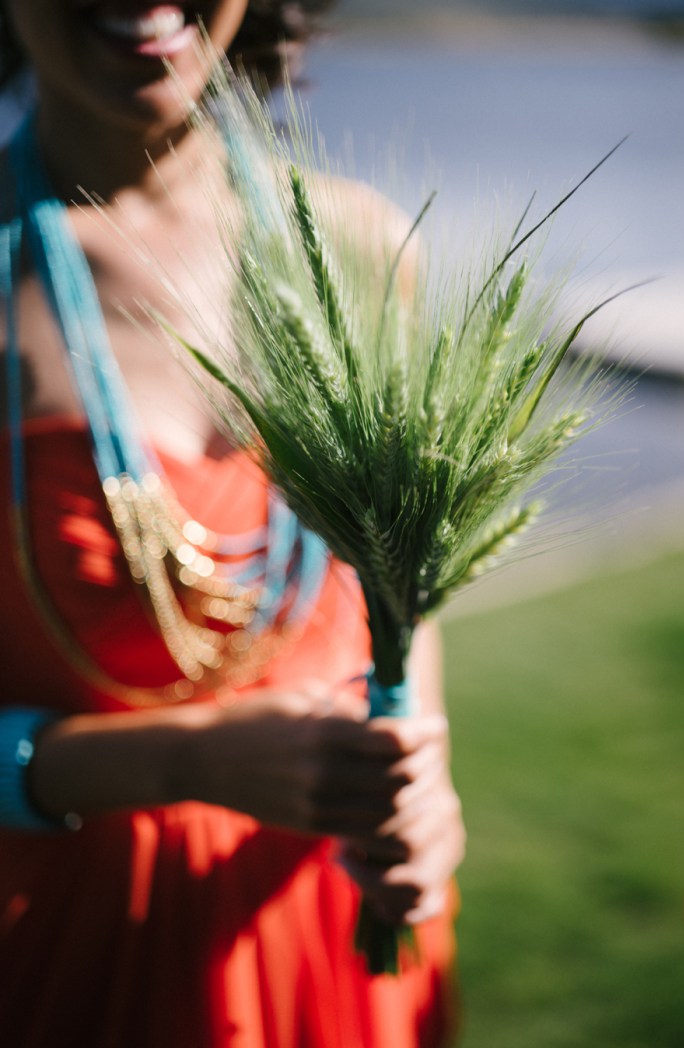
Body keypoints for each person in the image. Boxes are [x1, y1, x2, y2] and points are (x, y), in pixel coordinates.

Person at [0, 2, 465, 1045]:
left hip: (339, 935)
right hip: (75, 956)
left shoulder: (360, 243)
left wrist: (425, 783)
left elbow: (396, 591)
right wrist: (187, 764)